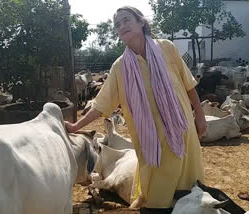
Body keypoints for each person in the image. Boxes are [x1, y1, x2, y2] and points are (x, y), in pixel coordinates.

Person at [65, 6, 206, 213]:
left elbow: (189, 85)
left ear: (141, 22)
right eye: (118, 24)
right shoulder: (120, 67)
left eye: (126, 20)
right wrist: (77, 125)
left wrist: (200, 115)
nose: (121, 26)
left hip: (183, 133)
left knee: (189, 192)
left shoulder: (166, 48)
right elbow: (101, 105)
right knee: (158, 200)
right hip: (152, 142)